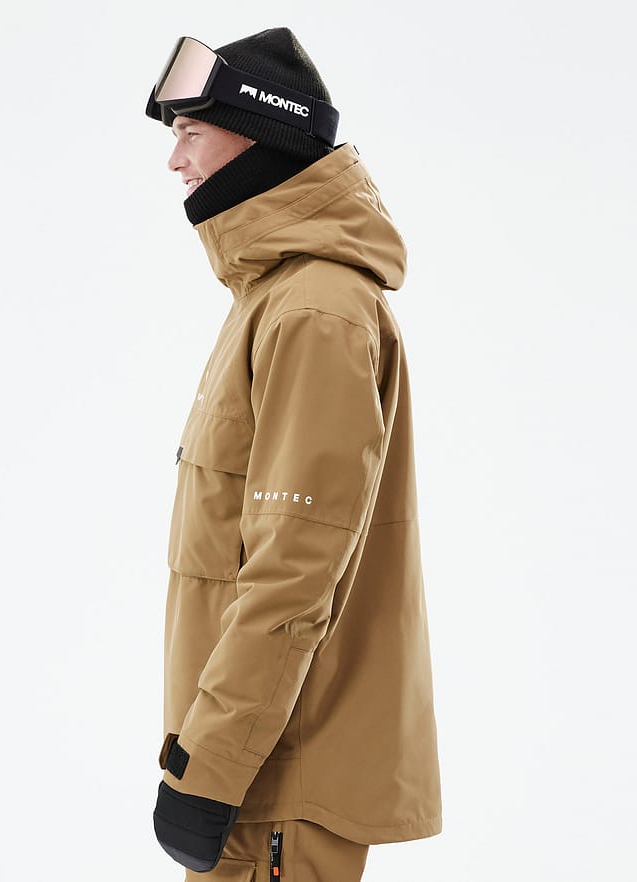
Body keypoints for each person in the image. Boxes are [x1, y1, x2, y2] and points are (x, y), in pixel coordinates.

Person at [145, 27, 442, 881]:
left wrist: (208, 769)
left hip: (276, 785)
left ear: (258, 134)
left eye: (190, 131)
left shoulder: (315, 310)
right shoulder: (273, 296)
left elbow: (292, 571)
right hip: (258, 774)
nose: (175, 160)